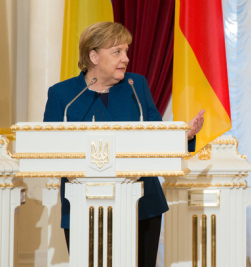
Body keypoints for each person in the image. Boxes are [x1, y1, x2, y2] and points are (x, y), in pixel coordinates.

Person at [43, 21, 205, 267]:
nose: (126, 58)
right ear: (93, 56)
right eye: (117, 51)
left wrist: (185, 136)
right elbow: (49, 148)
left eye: (126, 51)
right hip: (84, 206)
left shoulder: (135, 86)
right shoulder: (63, 95)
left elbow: (155, 132)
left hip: (142, 204)